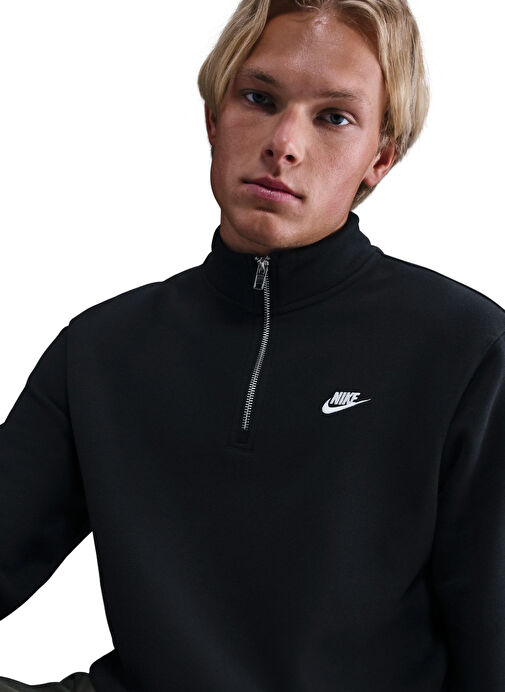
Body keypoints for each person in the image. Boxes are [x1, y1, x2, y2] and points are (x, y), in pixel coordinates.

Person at [2, 0, 505, 690]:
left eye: (334, 117)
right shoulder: (101, 350)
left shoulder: (465, 350)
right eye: (259, 99)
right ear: (214, 119)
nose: (284, 143)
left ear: (380, 158)